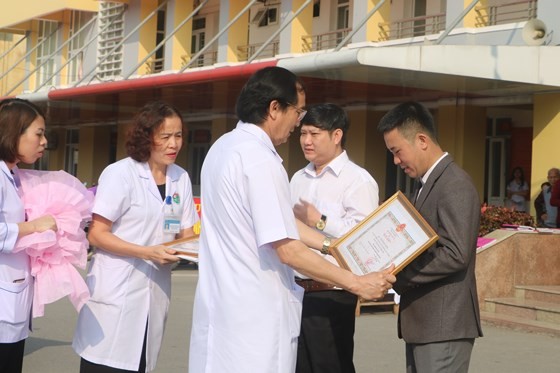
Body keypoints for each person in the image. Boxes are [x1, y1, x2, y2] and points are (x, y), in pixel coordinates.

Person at [189, 66, 395, 373]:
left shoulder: (223, 148)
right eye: (297, 113)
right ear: (274, 108)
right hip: (254, 319)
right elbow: (288, 248)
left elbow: (281, 223)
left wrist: (332, 245)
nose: (298, 126)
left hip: (224, 310)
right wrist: (357, 283)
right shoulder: (260, 159)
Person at [72, 102, 199, 372]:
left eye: (178, 136)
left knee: (140, 362)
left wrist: (186, 251)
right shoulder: (121, 174)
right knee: (106, 363)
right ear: (146, 137)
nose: (173, 144)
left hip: (154, 294)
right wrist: (147, 252)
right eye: (165, 137)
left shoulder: (181, 178)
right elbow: (96, 234)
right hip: (116, 293)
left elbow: (186, 232)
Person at [377, 101, 483, 373]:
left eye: (397, 151)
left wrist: (401, 275)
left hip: (443, 326)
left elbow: (456, 253)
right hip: (426, 326)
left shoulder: (454, 184)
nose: (396, 161)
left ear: (422, 140)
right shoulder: (426, 184)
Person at [290, 103, 379, 373]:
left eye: (314, 134)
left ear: (337, 135)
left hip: (332, 294)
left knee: (331, 366)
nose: (306, 141)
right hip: (294, 291)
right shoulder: (297, 178)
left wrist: (320, 221)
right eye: (303, 133)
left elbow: (365, 239)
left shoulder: (358, 180)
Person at [0, 98, 57, 372]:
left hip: (14, 300)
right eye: (38, 133)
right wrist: (32, 227)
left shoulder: (14, 175)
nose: (44, 141)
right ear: (13, 133)